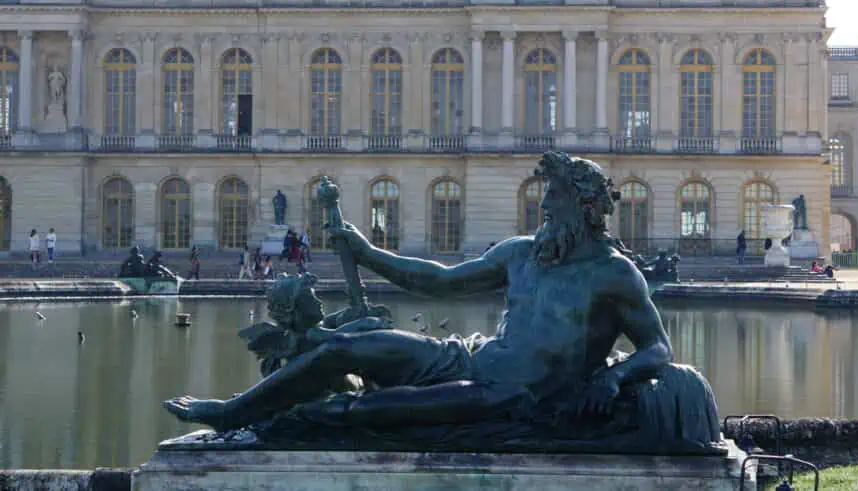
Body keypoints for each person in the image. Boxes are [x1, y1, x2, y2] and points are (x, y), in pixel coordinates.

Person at [164, 151, 684, 438]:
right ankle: (232, 413)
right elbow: (437, 279)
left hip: (512, 394)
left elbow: (658, 349)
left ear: (585, 206)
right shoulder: (523, 253)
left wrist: (615, 378)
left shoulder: (613, 273)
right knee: (345, 349)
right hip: (469, 358)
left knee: (373, 410)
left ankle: (285, 427)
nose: (543, 209)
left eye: (553, 200)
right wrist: (366, 253)